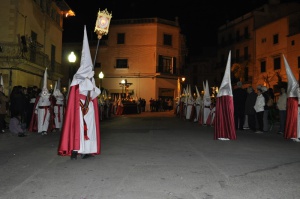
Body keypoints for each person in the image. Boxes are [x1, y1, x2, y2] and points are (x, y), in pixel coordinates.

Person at [58, 26, 101, 159]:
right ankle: (76, 149)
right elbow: (76, 89)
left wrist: (92, 86)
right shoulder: (77, 77)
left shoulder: (91, 78)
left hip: (89, 107)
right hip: (79, 107)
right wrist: (87, 79)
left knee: (90, 127)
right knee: (78, 127)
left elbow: (96, 92)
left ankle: (87, 150)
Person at [214, 51, 236, 140]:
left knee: (224, 119)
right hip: (226, 108)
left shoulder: (221, 91)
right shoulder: (228, 91)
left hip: (225, 109)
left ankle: (222, 134)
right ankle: (225, 134)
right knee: (227, 119)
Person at [282, 54, 300, 142]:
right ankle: (295, 135)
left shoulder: (293, 88)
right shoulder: (296, 87)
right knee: (296, 121)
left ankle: (294, 134)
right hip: (297, 107)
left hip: (296, 106)